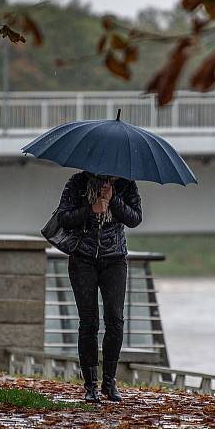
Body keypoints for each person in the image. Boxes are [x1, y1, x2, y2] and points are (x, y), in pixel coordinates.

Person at [56, 170, 142, 402]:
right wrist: (90, 209)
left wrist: (113, 198)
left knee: (115, 319)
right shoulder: (78, 182)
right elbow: (63, 217)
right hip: (82, 259)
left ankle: (109, 381)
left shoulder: (126, 183)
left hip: (114, 258)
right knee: (89, 321)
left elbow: (135, 218)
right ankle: (90, 385)